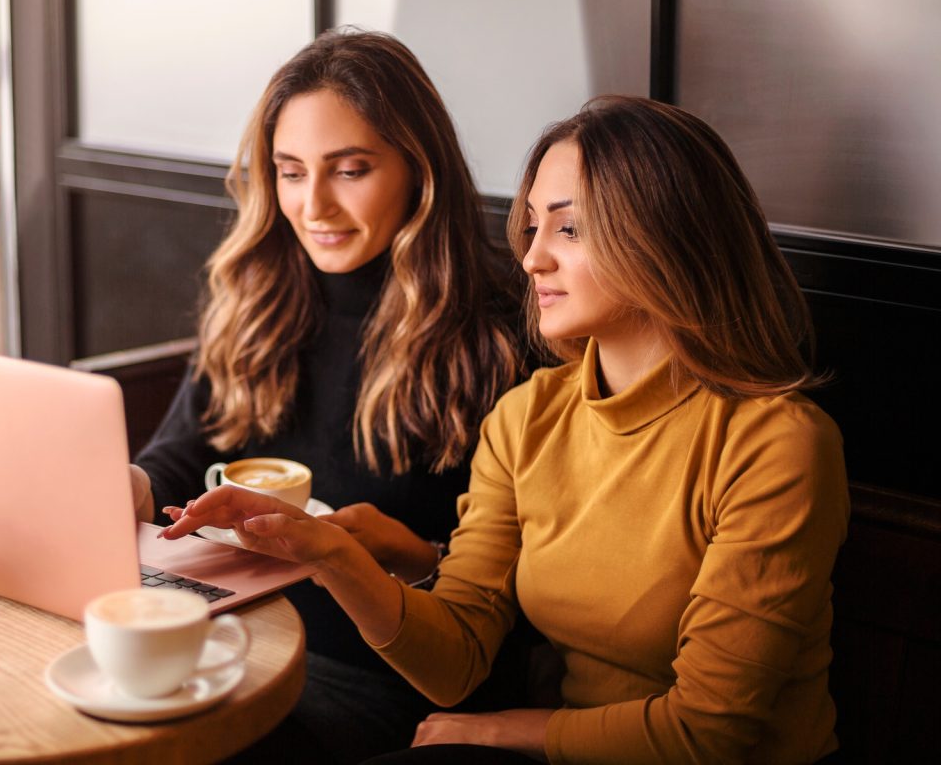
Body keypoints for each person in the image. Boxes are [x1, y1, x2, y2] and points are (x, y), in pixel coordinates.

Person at [163, 95, 850, 764]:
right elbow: (455, 657)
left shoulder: (777, 443)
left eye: (570, 229)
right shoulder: (529, 416)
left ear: (667, 237)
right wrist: (329, 557)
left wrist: (501, 731)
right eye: (532, 226)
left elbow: (710, 732)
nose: (532, 259)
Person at [129, 29, 532, 762]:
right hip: (237, 636)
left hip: (384, 674)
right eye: (289, 172)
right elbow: (188, 450)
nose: (313, 205)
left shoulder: (501, 332)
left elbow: (516, 594)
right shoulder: (260, 291)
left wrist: (401, 553)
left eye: (348, 170)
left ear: (419, 167)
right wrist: (128, 486)